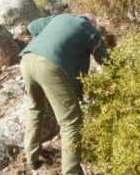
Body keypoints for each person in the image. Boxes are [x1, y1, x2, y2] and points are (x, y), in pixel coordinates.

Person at [19, 13, 107, 174]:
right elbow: (107, 60)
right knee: (71, 122)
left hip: (27, 59)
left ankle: (32, 157)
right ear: (92, 22)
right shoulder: (88, 29)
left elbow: (32, 26)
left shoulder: (58, 18)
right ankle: (71, 172)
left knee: (35, 108)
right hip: (50, 66)